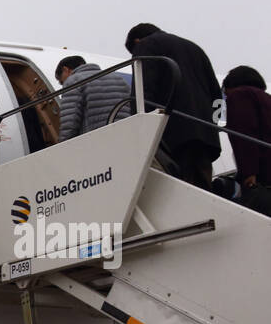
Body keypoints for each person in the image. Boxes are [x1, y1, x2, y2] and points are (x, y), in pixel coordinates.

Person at [125, 23, 222, 189]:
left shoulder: (146, 45)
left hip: (173, 132)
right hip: (205, 135)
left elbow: (144, 88)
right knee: (203, 188)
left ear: (137, 41)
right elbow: (216, 95)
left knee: (180, 190)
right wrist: (212, 123)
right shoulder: (195, 48)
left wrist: (141, 125)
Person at [221, 66, 271, 216]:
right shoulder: (266, 98)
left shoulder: (239, 95)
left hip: (262, 178)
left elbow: (245, 134)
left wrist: (249, 174)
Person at [56, 55, 132, 141]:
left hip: (96, 139)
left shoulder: (73, 81)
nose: (63, 85)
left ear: (66, 70)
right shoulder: (119, 79)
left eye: (61, 81)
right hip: (125, 134)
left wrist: (63, 143)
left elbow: (70, 120)